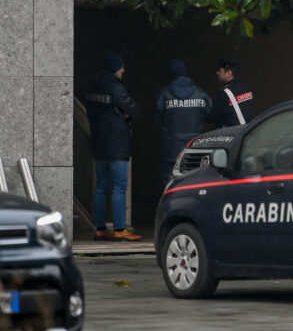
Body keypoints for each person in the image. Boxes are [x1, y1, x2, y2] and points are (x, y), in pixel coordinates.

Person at [86, 53, 142, 242]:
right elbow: (135, 110)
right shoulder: (117, 88)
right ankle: (119, 229)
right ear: (114, 68)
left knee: (101, 185)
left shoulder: (93, 87)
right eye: (121, 67)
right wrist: (124, 117)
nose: (123, 70)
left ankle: (100, 228)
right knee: (119, 185)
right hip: (117, 143)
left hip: (99, 142)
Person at [153, 59, 212, 184]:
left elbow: (156, 120)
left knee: (170, 186)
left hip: (170, 149)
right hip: (194, 148)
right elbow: (211, 115)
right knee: (193, 185)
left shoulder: (164, 95)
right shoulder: (201, 94)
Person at [206, 54, 254, 128]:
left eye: (220, 70)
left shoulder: (223, 94)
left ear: (229, 73)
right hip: (248, 130)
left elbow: (212, 118)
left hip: (232, 134)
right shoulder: (245, 87)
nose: (217, 73)